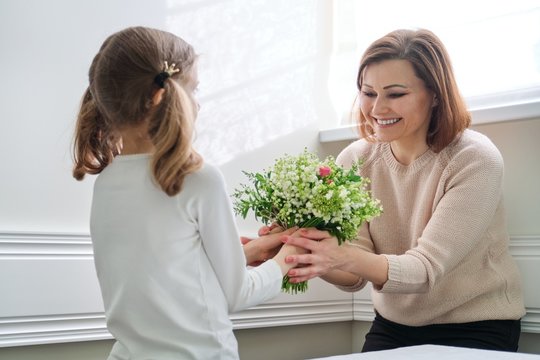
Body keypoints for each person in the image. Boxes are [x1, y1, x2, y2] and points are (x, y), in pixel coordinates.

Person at [280, 28, 526, 352]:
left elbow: (424, 270)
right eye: (368, 93)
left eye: (395, 94)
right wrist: (309, 255)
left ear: (436, 94)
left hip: (476, 327)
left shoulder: (474, 159)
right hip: (393, 326)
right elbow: (354, 276)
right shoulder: (355, 160)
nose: (377, 108)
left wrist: (339, 254)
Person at [72, 26, 301, 360]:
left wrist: (246, 255)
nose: (197, 103)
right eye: (193, 89)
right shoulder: (198, 179)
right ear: (159, 96)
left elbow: (160, 272)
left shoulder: (105, 183)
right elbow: (238, 294)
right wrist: (285, 258)